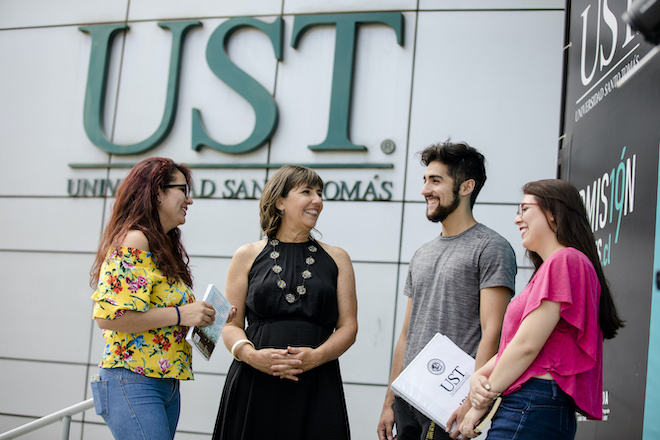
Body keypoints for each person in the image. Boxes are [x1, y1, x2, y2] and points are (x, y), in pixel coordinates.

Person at [458, 179, 625, 440]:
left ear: (552, 212)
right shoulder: (555, 266)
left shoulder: (565, 260)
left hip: (533, 403)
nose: (517, 219)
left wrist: (479, 403)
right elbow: (516, 345)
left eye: (524, 209)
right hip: (532, 404)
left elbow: (526, 345)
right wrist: (479, 376)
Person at [377, 140, 517, 440]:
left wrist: (472, 402)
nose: (425, 190)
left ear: (466, 187)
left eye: (436, 181)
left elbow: (493, 333)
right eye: (425, 180)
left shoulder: (492, 248)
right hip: (408, 398)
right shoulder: (422, 253)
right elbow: (406, 335)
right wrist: (390, 400)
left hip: (449, 402)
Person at [212, 165, 358, 440]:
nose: (318, 200)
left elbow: (349, 327)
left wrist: (316, 357)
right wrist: (251, 356)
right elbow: (230, 325)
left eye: (319, 193)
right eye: (306, 192)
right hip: (254, 380)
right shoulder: (246, 255)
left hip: (316, 383)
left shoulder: (338, 258)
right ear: (280, 201)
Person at [90, 157, 218, 440]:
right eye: (183, 190)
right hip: (133, 378)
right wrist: (182, 314)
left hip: (165, 383)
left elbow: (168, 315)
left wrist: (205, 317)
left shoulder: (163, 244)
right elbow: (108, 317)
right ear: (157, 192)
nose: (189, 200)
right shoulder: (135, 239)